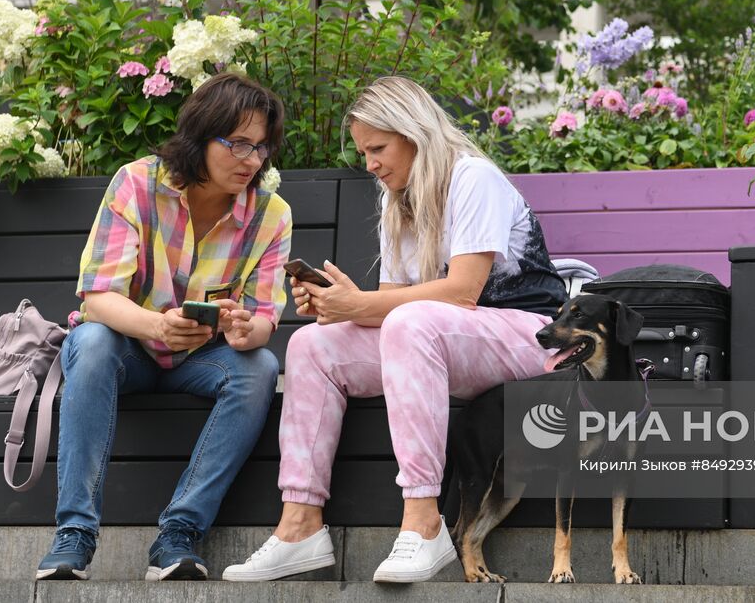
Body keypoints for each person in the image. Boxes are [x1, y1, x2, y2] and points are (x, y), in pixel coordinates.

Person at [223, 76, 567, 584]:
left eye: (378, 148)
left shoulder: (472, 177)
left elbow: (463, 292)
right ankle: (300, 525)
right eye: (364, 152)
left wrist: (362, 304)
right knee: (313, 344)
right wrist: (339, 306)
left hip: (529, 336)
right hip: (440, 340)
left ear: (414, 133)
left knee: (410, 321)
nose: (370, 164)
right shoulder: (394, 197)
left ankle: (424, 522)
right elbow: (388, 309)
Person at [36, 72, 291, 582]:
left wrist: (244, 330)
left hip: (199, 359)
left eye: (261, 148)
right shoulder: (137, 183)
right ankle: (74, 535)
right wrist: (156, 326)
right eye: (238, 143)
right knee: (90, 339)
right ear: (200, 136)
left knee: (259, 366)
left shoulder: (271, 214)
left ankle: (180, 534)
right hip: (126, 349)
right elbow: (98, 295)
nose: (252, 161)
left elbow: (264, 319)